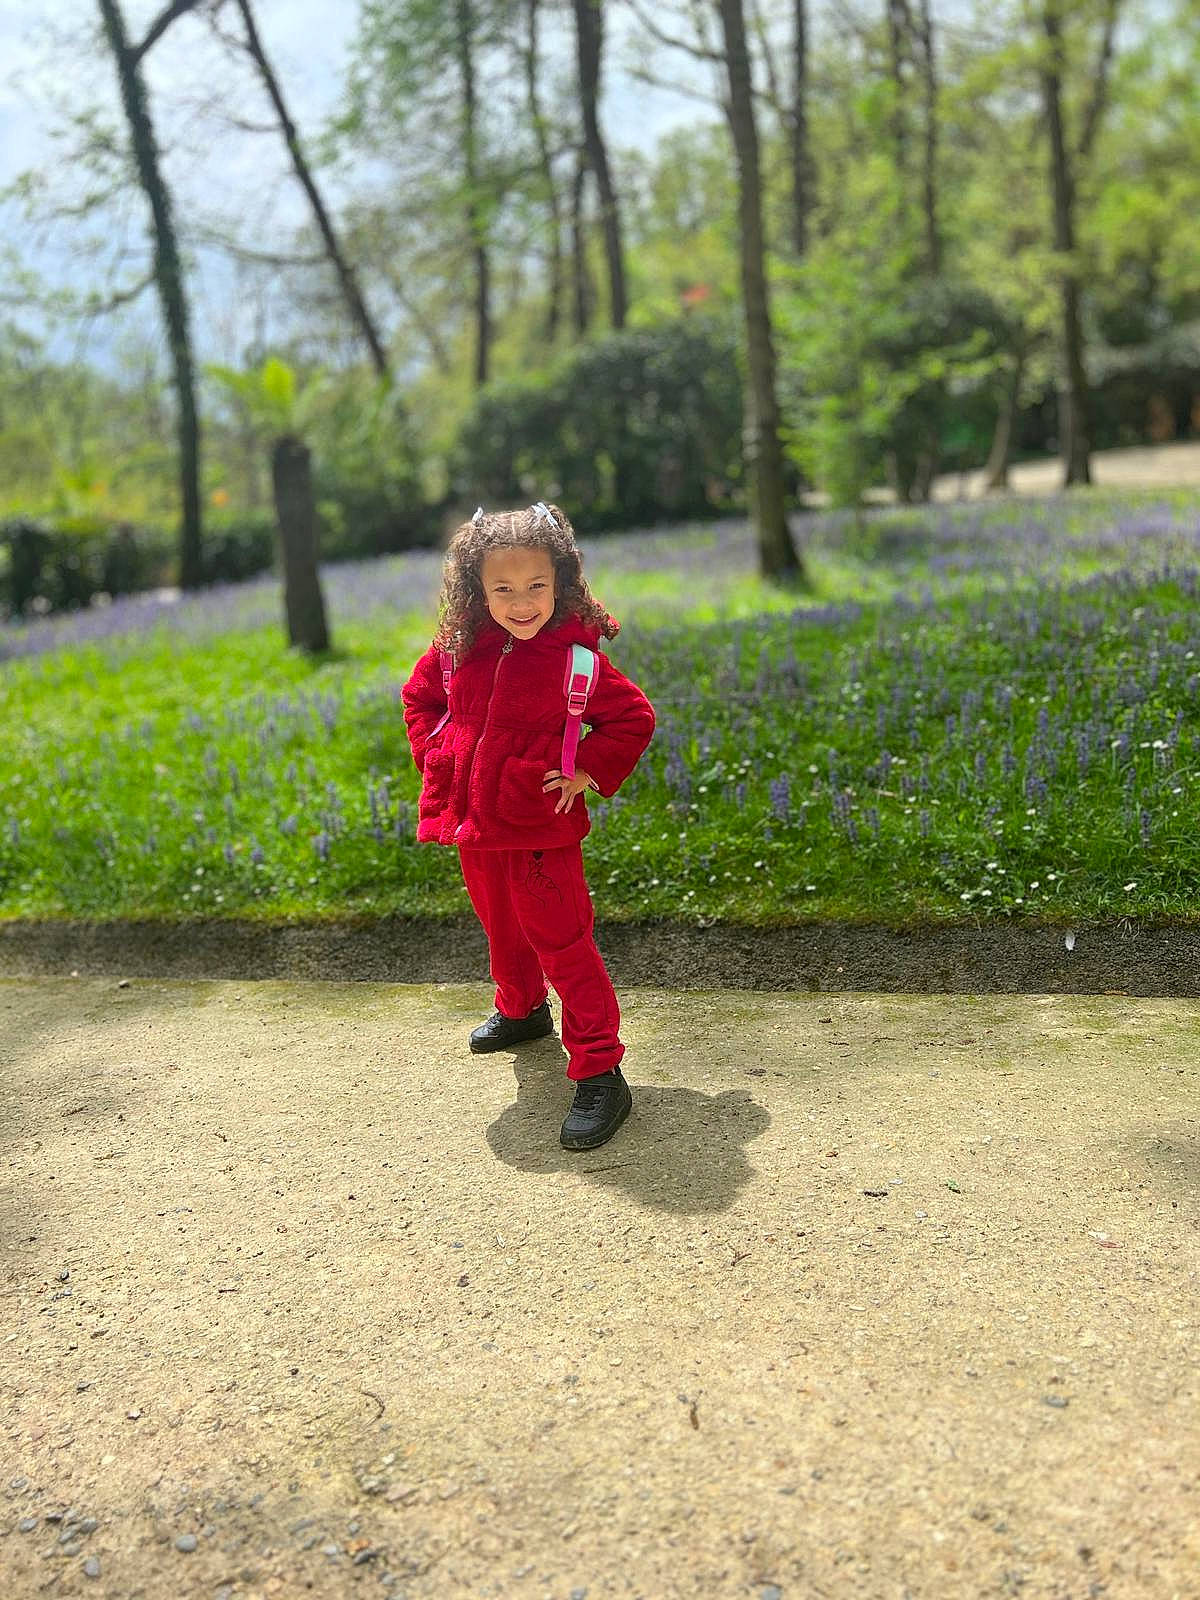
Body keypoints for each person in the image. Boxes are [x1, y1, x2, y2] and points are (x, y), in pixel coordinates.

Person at [401, 502, 656, 1151]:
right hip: (474, 823)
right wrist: (437, 754)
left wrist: (588, 772)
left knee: (562, 942)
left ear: (562, 582)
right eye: (503, 589)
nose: (521, 602)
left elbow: (633, 719)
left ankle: (600, 1067)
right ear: (476, 590)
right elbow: (419, 697)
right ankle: (522, 1009)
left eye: (536, 587)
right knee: (500, 926)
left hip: (540, 827)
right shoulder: (458, 650)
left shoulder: (576, 664)